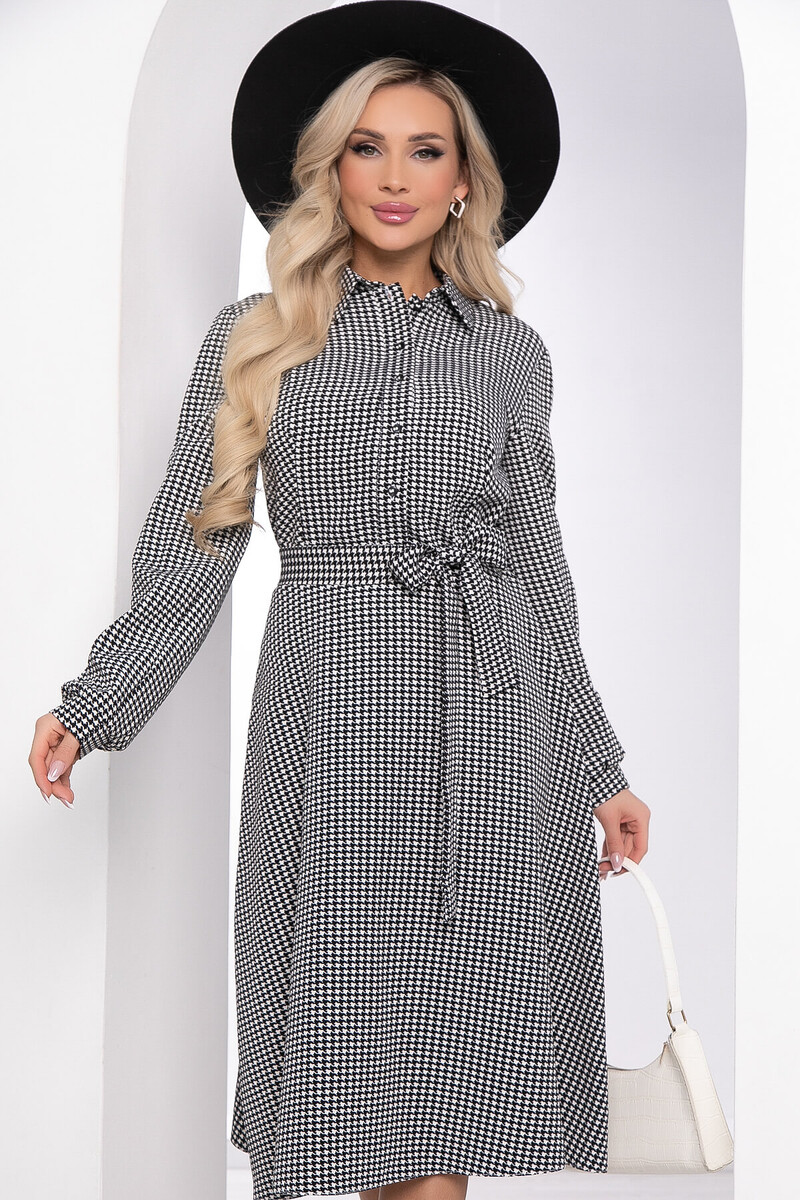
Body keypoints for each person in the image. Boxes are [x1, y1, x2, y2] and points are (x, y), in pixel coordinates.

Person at [28, 3, 650, 1198]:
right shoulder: (256, 338)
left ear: (464, 182)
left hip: (490, 722)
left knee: (453, 1102)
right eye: (367, 147)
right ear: (329, 169)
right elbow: (196, 543)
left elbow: (539, 568)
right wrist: (97, 704)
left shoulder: (510, 355)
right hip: (335, 716)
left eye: (425, 150)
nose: (395, 177)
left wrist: (596, 765)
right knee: (356, 1075)